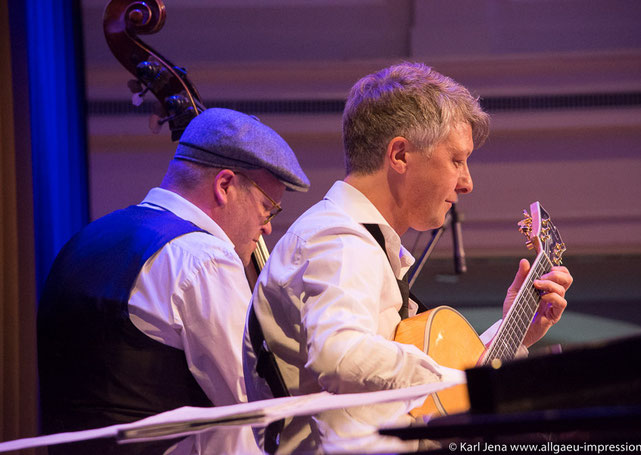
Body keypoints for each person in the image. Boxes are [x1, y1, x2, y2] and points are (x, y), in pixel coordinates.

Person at [243, 62, 573, 453]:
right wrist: (453, 379)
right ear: (399, 155)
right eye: (456, 160)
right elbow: (340, 354)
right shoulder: (340, 239)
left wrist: (515, 329)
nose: (467, 182)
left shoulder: (359, 242)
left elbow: (419, 384)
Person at [37, 108, 310, 454]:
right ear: (225, 185)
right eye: (267, 208)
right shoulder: (203, 257)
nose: (267, 226)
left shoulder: (84, 240)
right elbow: (253, 400)